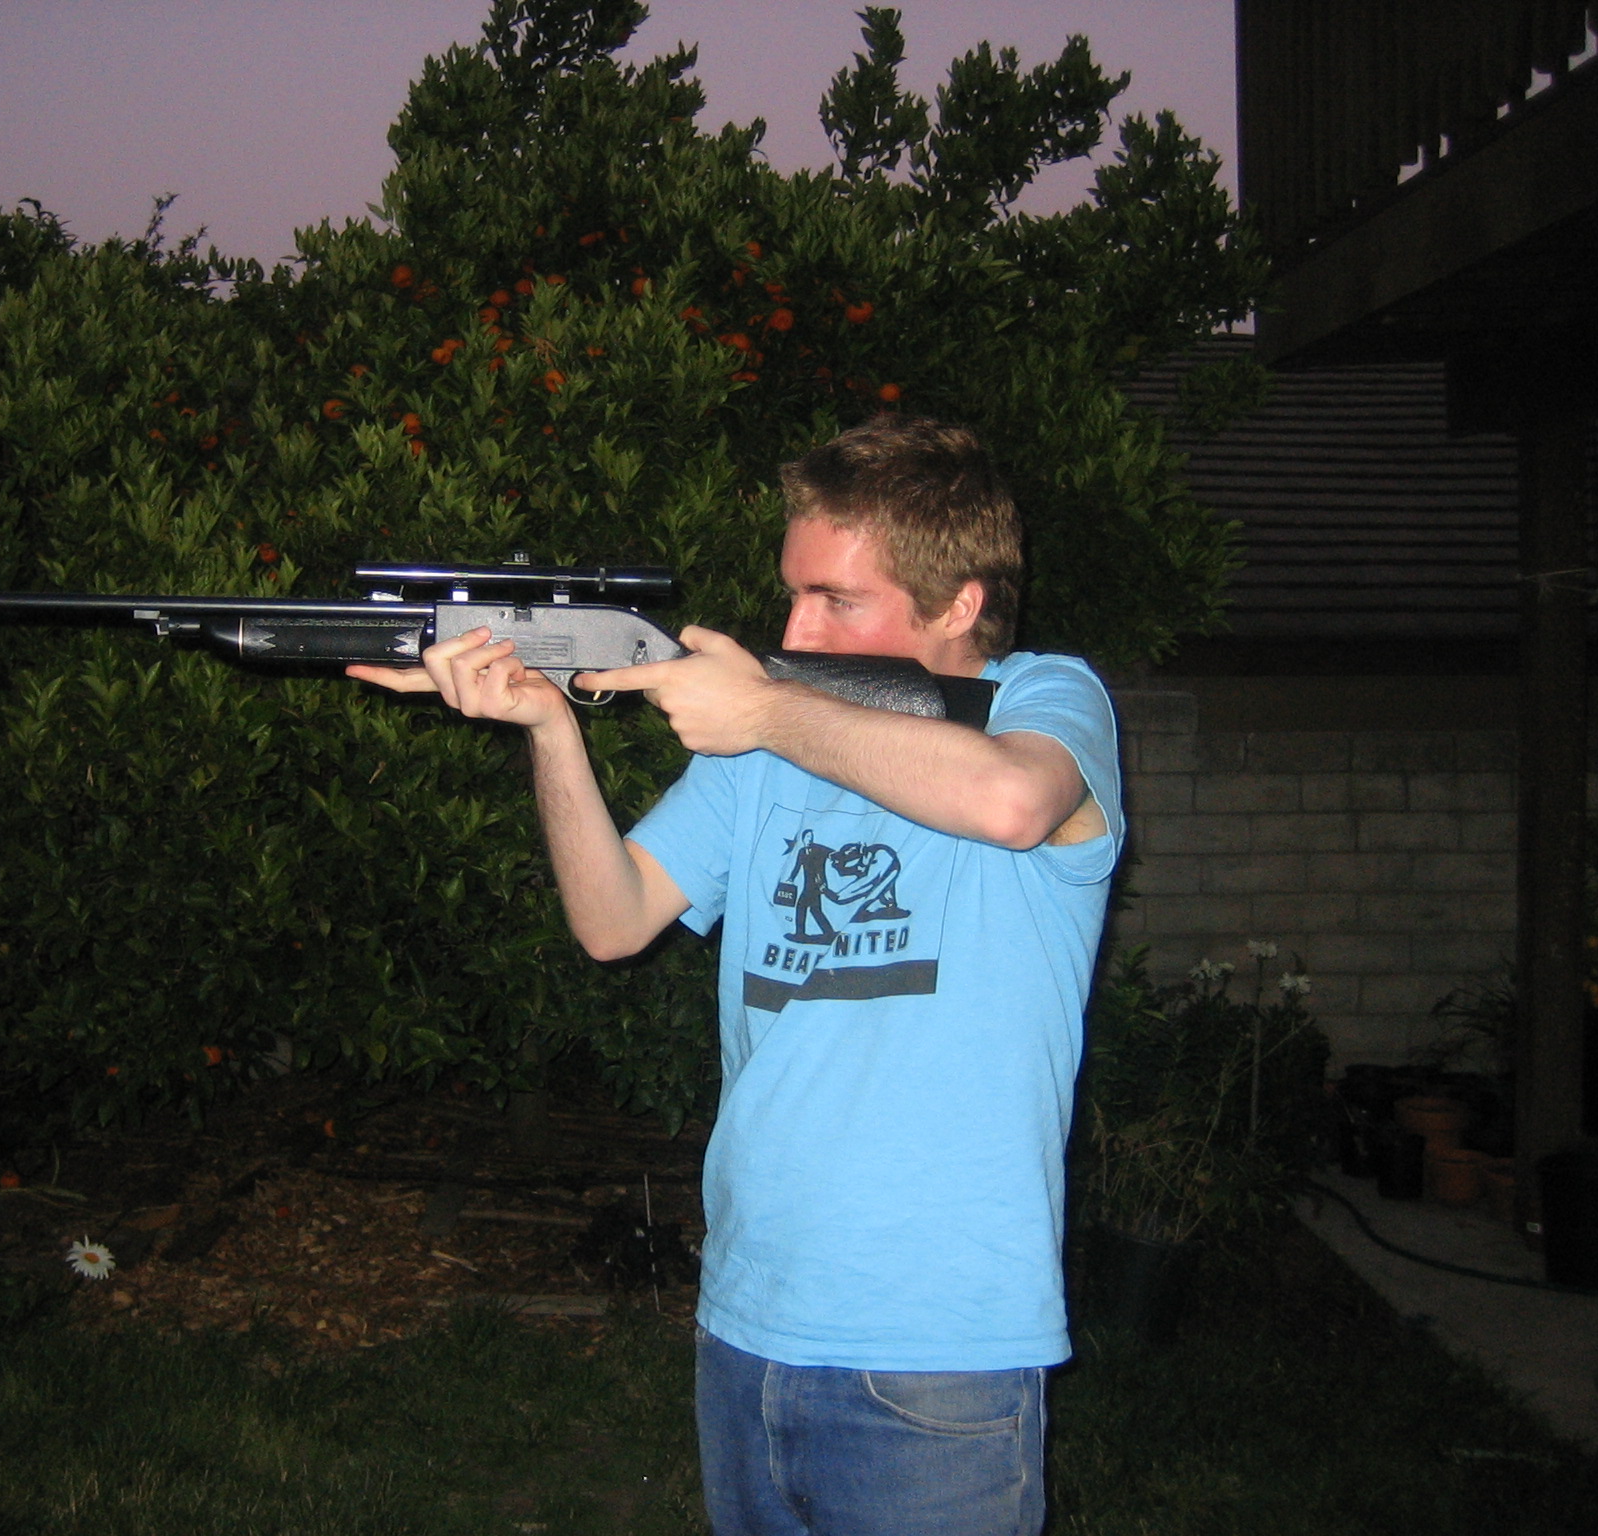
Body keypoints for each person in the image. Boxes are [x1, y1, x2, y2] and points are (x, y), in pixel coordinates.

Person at [349, 414, 1122, 1536]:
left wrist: (760, 707)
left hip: (934, 1355)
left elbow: (1009, 803)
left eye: (834, 601)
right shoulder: (760, 756)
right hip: (747, 1329)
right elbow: (613, 923)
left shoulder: (1045, 700)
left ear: (957, 603)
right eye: (791, 592)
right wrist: (546, 728)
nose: (792, 626)